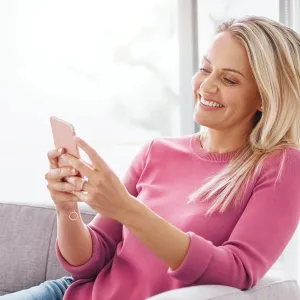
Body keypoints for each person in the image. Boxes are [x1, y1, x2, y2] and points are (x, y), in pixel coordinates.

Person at [2, 15, 300, 300]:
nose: (206, 86)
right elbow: (88, 263)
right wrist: (66, 207)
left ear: (264, 95)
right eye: (206, 69)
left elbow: (237, 271)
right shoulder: (156, 152)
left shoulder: (282, 166)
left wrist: (128, 209)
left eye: (230, 80)